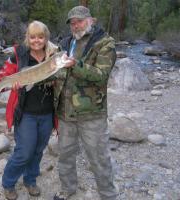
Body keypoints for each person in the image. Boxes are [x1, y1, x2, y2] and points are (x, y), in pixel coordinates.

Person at [0, 21, 58, 200]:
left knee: (38, 150)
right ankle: (8, 183)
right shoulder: (17, 56)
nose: (36, 40)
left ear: (46, 38)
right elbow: (2, 78)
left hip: (47, 113)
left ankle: (30, 180)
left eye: (40, 37)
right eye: (32, 37)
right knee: (24, 151)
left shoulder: (54, 55)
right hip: (25, 113)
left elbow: (64, 79)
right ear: (28, 38)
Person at [53, 6, 118, 200]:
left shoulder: (104, 43)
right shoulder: (64, 43)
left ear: (91, 20)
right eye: (72, 23)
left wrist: (76, 65)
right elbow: (56, 74)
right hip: (65, 112)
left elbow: (101, 76)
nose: (76, 25)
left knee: (99, 158)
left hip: (92, 114)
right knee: (65, 156)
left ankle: (108, 195)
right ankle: (67, 190)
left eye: (79, 21)